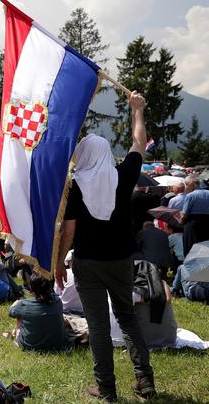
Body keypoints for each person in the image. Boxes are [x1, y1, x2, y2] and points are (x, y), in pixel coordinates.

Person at [55, 91, 156, 401]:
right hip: (121, 258)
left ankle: (106, 388)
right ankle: (145, 380)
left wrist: (59, 262)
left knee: (98, 324)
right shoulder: (123, 176)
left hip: (87, 262)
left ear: (84, 155)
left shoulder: (75, 185)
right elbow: (139, 144)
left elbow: (68, 232)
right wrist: (137, 111)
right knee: (127, 316)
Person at [8, 273, 67, 352]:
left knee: (19, 316)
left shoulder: (23, 304)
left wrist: (16, 302)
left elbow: (11, 312)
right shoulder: (57, 301)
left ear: (31, 289)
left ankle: (19, 336)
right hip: (57, 345)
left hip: (30, 345)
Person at [180, 174, 209, 255]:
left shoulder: (190, 196)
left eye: (186, 185)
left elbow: (184, 215)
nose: (186, 187)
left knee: (190, 249)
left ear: (192, 184)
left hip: (192, 225)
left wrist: (181, 221)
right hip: (207, 225)